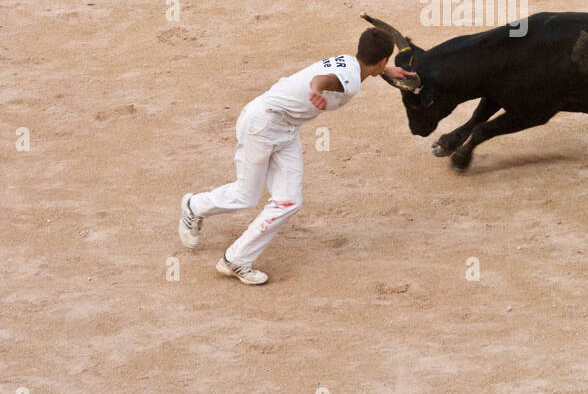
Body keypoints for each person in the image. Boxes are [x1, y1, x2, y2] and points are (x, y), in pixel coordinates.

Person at [178, 26, 415, 285]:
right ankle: (195, 206)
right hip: (263, 125)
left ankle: (236, 259)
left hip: (284, 127)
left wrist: (385, 71)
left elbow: (347, 73)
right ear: (382, 59)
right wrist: (316, 88)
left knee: (288, 200)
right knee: (246, 195)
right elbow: (326, 80)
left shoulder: (350, 61)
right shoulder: (350, 79)